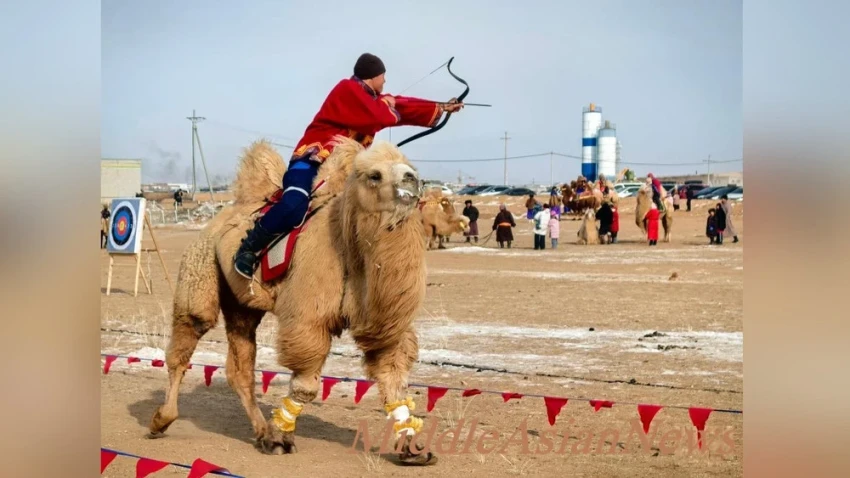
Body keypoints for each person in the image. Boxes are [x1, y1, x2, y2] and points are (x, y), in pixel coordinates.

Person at [232, 53, 464, 278]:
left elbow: (402, 105)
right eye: (383, 76)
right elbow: (380, 116)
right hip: (311, 161)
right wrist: (388, 103)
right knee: (294, 205)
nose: (385, 80)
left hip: (341, 170)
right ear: (372, 76)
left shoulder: (373, 100)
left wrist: (442, 107)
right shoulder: (348, 89)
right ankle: (248, 248)